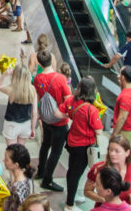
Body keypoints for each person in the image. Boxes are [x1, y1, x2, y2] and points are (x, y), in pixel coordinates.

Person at [49, 76, 104, 210]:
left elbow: (57, 113)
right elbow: (99, 131)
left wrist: (70, 116)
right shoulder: (91, 109)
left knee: (72, 170)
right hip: (84, 146)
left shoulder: (71, 101)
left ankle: (72, 194)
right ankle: (70, 204)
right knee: (76, 173)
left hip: (72, 143)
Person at [33, 50, 71, 192]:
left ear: (39, 63)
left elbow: (38, 97)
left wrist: (39, 115)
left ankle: (41, 171)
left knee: (45, 145)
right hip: (59, 121)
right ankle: (47, 180)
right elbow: (68, 99)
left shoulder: (37, 79)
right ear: (51, 60)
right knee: (56, 151)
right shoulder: (60, 78)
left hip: (45, 118)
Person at [84, 136, 131, 207]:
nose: (112, 154)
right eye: (110, 150)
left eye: (117, 151)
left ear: (127, 152)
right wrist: (104, 200)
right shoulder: (98, 168)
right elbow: (87, 191)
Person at [0, 64, 38, 145]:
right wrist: (33, 128)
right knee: (20, 151)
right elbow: (34, 113)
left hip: (11, 125)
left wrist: (5, 74)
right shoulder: (32, 90)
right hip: (26, 124)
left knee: (12, 152)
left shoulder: (11, 90)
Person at [111, 66, 131, 143]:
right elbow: (124, 91)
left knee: (119, 152)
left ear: (123, 77)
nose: (118, 75)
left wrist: (114, 134)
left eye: (120, 74)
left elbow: (122, 118)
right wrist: (122, 83)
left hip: (124, 131)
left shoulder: (126, 97)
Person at [4, 144, 35, 211]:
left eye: (6, 160)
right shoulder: (28, 178)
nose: (3, 160)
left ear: (16, 165)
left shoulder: (16, 191)